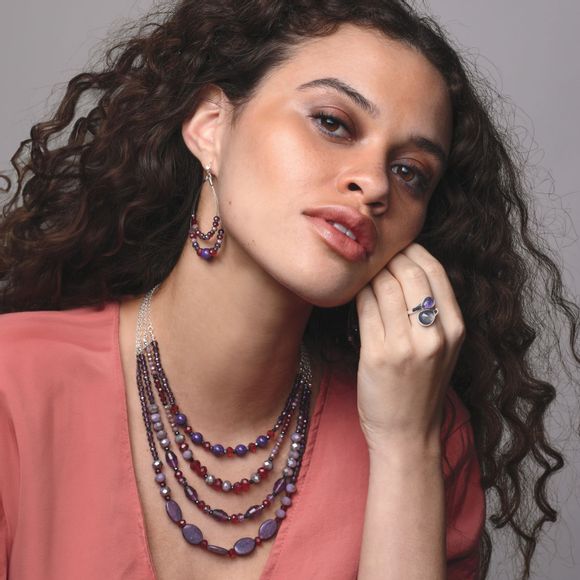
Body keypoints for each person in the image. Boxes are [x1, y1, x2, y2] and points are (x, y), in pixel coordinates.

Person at [0, 1, 578, 579]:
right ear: (211, 126)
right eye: (333, 123)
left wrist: (404, 446)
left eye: (410, 172)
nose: (375, 183)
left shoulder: (425, 430)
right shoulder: (14, 385)